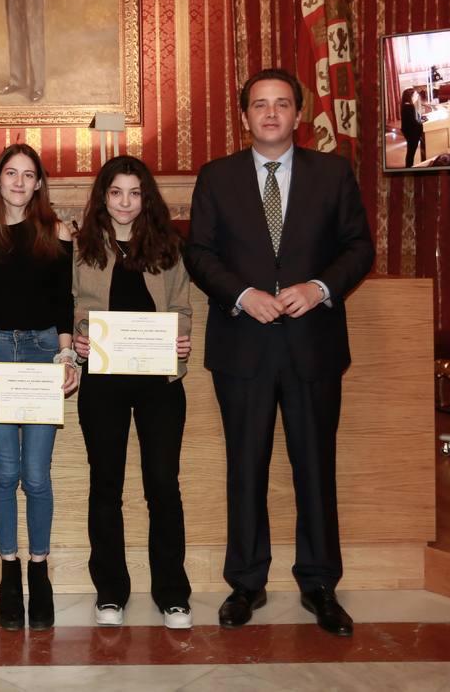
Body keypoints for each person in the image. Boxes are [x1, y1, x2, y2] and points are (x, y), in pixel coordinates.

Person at [184, 68, 374, 638]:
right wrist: (242, 295)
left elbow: (359, 246)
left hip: (312, 346)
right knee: (246, 468)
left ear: (298, 115)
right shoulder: (216, 177)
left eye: (282, 104)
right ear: (244, 117)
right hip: (242, 346)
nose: (270, 114)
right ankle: (246, 583)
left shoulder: (332, 174)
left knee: (315, 468)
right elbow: (198, 252)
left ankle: (319, 584)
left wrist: (319, 289)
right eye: (260, 105)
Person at [0, 143, 78, 631]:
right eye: (12, 173)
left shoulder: (58, 232)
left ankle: (40, 568)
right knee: (5, 472)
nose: (20, 183)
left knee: (37, 474)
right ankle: (9, 568)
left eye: (30, 175)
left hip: (42, 352)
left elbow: (63, 301)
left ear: (40, 183)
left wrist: (68, 354)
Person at [72, 155, 195, 630]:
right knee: (106, 485)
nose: (125, 202)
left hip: (159, 382)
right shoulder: (83, 247)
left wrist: (182, 335)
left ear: (147, 199)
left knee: (162, 484)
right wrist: (80, 335)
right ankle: (111, 590)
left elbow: (183, 304)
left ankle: (172, 592)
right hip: (102, 381)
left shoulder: (167, 246)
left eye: (134, 193)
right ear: (104, 197)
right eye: (116, 192)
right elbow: (75, 307)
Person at [399, 88, 426, 168]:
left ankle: (409, 166)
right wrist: (421, 123)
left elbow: (412, 120)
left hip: (408, 131)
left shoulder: (405, 105)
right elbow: (414, 122)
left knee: (410, 151)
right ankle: (409, 167)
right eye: (415, 95)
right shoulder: (409, 107)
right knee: (411, 152)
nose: (417, 97)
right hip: (411, 133)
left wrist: (420, 119)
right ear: (410, 96)